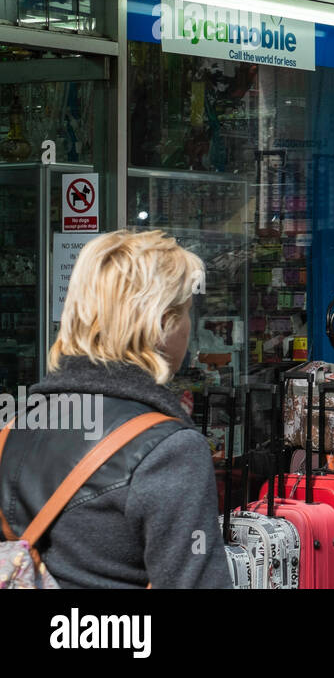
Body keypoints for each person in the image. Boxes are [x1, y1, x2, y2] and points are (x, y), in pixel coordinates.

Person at [0, 230, 231, 588]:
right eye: (186, 311)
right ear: (162, 322)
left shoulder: (12, 431)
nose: (189, 326)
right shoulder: (169, 449)